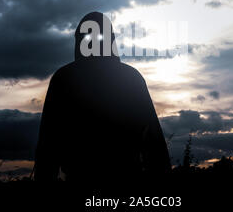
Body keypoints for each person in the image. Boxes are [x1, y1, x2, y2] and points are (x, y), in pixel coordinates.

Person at [34, 12, 170, 183]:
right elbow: (154, 143)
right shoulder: (132, 78)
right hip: (126, 178)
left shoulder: (64, 78)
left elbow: (48, 144)